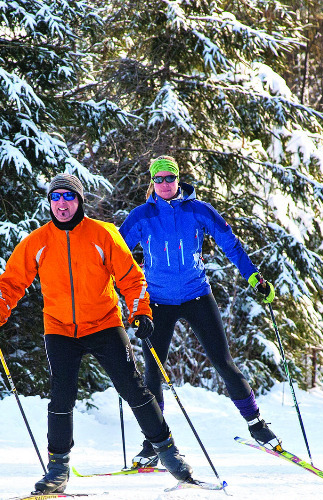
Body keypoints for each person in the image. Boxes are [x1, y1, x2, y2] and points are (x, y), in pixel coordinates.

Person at [0, 173, 195, 493]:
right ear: (50, 202)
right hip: (60, 329)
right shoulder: (37, 241)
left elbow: (131, 279)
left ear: (79, 200)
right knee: (61, 396)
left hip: (105, 324)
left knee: (134, 389)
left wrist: (141, 312)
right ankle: (57, 469)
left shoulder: (102, 234)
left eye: (68, 197)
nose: (61, 204)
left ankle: (168, 452)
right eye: (55, 198)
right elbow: (13, 282)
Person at [118, 155, 279, 468]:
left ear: (179, 180)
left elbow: (230, 244)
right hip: (157, 302)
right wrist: (107, 288)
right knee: (153, 372)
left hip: (196, 295)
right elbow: (115, 252)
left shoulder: (198, 210)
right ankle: (154, 443)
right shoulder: (142, 216)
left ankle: (257, 423)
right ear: (153, 183)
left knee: (222, 360)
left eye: (170, 178)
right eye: (159, 179)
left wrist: (253, 276)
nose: (165, 184)